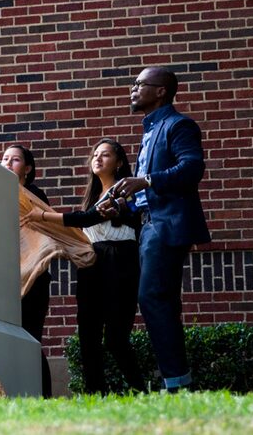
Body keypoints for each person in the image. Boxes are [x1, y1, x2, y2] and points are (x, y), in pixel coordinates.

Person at [107, 66, 210, 392]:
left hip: (167, 226)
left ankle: (178, 384)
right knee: (161, 300)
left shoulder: (178, 125)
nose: (133, 89)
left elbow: (192, 168)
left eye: (140, 84)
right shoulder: (150, 130)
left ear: (161, 90)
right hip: (149, 226)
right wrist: (125, 206)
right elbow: (145, 195)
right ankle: (178, 382)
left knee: (151, 297)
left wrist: (146, 180)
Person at [39, 140, 145, 394]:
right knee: (88, 334)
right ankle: (95, 394)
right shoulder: (92, 195)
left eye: (105, 155)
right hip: (92, 262)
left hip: (119, 260)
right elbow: (85, 227)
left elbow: (88, 218)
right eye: (95, 154)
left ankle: (141, 390)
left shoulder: (125, 192)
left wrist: (42, 216)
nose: (97, 158)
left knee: (116, 338)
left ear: (119, 162)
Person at [1, 144, 53, 398]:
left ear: (28, 168)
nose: (8, 163)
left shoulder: (33, 195)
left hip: (33, 278)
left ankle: (43, 395)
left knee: (31, 339)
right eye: (5, 159)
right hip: (4, 279)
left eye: (16, 160)